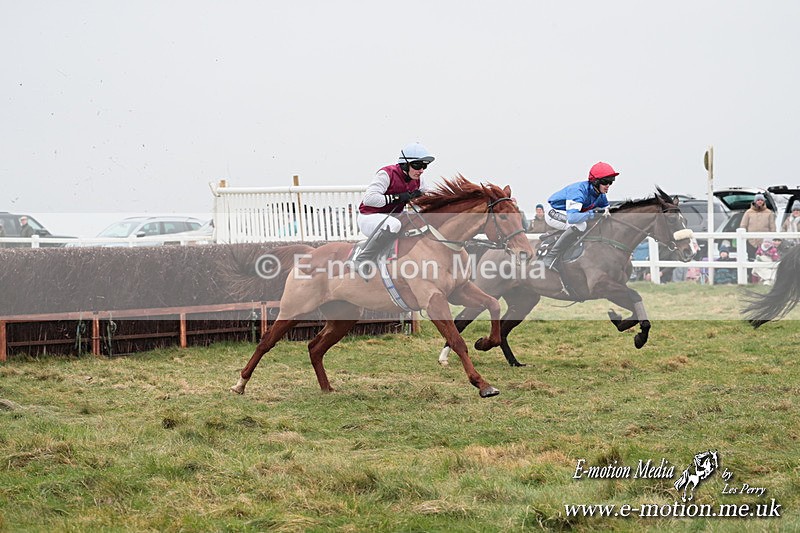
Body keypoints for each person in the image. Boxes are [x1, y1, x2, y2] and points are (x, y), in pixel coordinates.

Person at [353, 142, 434, 272]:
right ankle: (362, 259)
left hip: (394, 217)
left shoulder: (419, 179)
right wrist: (398, 197)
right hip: (369, 217)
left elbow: (430, 196)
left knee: (418, 222)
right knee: (394, 225)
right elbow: (369, 200)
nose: (421, 170)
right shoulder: (386, 174)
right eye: (417, 165)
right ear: (405, 164)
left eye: (424, 166)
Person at [542, 161, 618, 271]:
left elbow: (607, 211)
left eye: (611, 182)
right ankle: (550, 257)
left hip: (572, 213)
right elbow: (573, 218)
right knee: (581, 225)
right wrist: (593, 214)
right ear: (596, 181)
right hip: (554, 213)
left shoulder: (601, 195)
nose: (608, 185)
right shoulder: (578, 191)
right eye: (606, 182)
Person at [739, 193, 775, 281]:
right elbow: (743, 225)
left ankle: (764, 279)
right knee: (751, 260)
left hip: (765, 244)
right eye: (758, 200)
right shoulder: (748, 212)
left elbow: (772, 227)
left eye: (761, 200)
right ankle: (752, 280)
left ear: (763, 201)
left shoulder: (769, 213)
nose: (760, 201)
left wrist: (771, 239)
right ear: (755, 201)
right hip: (752, 242)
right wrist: (746, 238)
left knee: (765, 261)